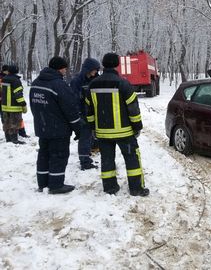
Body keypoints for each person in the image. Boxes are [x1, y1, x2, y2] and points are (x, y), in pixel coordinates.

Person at [85, 53, 149, 196]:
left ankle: (109, 187)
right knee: (132, 160)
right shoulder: (123, 83)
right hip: (124, 132)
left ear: (103, 64)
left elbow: (89, 110)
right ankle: (136, 189)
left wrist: (92, 128)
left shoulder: (92, 85)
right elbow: (133, 108)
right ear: (117, 64)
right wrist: (137, 126)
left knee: (107, 160)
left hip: (102, 133)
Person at [30, 56, 82, 194]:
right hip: (58, 129)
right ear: (60, 68)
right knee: (58, 156)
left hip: (42, 127)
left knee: (44, 155)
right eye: (65, 68)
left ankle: (43, 183)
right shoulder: (59, 85)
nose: (65, 71)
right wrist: (78, 129)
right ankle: (56, 185)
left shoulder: (36, 83)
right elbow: (70, 109)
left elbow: (33, 105)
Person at [70, 58, 101, 170]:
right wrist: (78, 114)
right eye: (94, 70)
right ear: (88, 69)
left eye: (97, 70)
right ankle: (84, 161)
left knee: (93, 135)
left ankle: (92, 149)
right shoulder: (77, 81)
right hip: (83, 113)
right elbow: (74, 99)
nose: (95, 72)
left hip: (94, 112)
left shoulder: (95, 79)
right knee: (85, 136)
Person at [1, 64, 27, 144]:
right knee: (15, 123)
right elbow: (18, 95)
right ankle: (14, 140)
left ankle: (8, 139)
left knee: (7, 123)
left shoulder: (4, 79)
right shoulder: (16, 80)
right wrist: (23, 104)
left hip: (4, 106)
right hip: (14, 107)